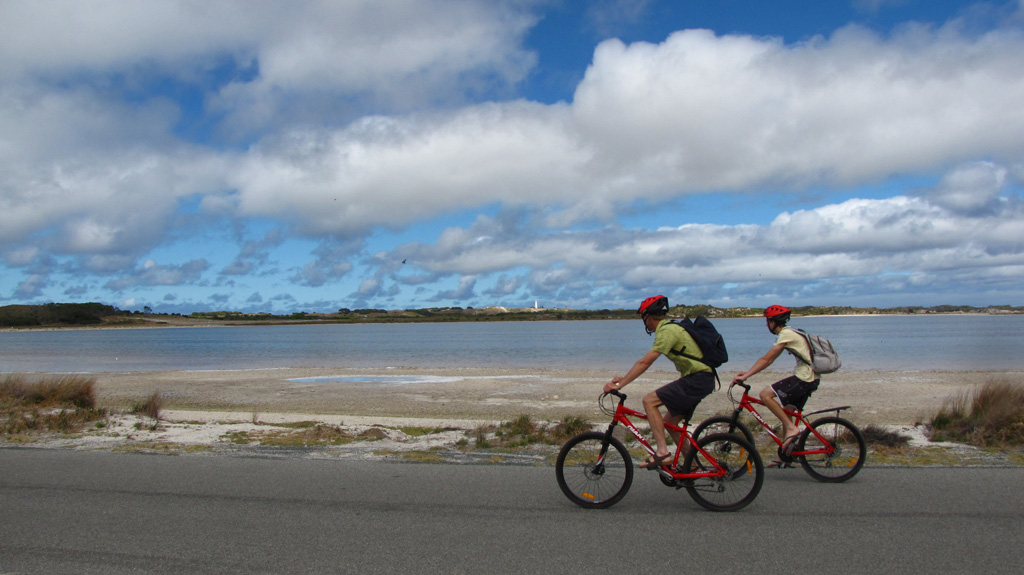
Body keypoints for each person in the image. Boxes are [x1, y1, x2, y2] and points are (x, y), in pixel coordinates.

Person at [602, 295, 716, 469]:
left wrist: (619, 384)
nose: (644, 322)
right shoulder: (670, 328)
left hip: (698, 379)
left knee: (649, 400)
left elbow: (645, 362)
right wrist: (623, 379)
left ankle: (662, 453)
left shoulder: (667, 331)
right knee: (670, 424)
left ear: (649, 316)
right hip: (699, 379)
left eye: (644, 318)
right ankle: (693, 466)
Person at [730, 304, 820, 460]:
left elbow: (767, 359)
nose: (767, 324)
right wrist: (748, 372)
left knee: (765, 395)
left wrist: (746, 376)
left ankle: (792, 429)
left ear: (774, 322)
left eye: (768, 321)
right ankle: (786, 454)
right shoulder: (792, 332)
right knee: (786, 411)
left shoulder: (786, 334)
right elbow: (768, 360)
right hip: (811, 377)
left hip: (804, 377)